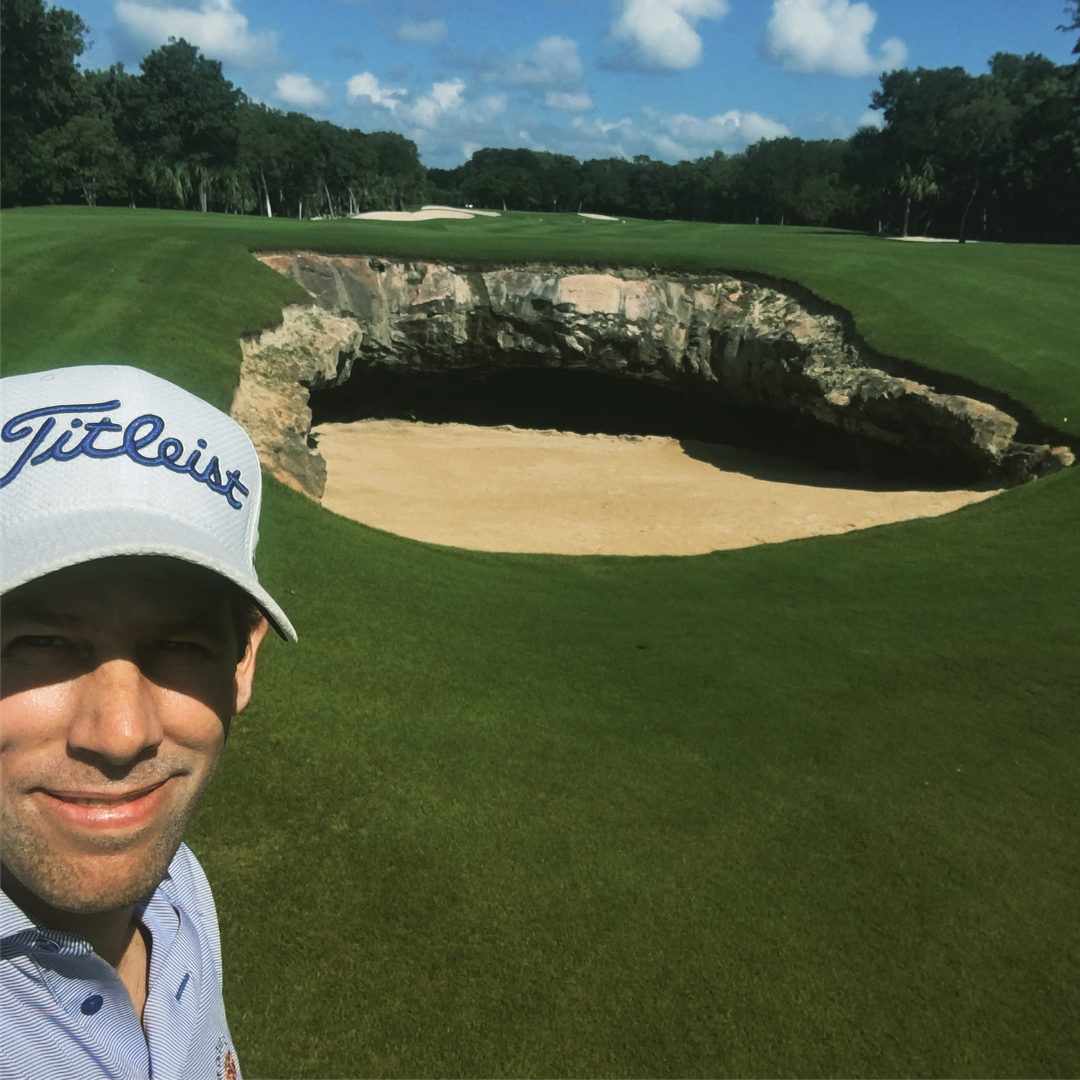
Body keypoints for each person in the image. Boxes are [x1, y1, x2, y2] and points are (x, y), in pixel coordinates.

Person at [1, 365, 297, 1080]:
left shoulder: (177, 886)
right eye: (40, 642)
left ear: (243, 661)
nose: (121, 736)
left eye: (178, 646)